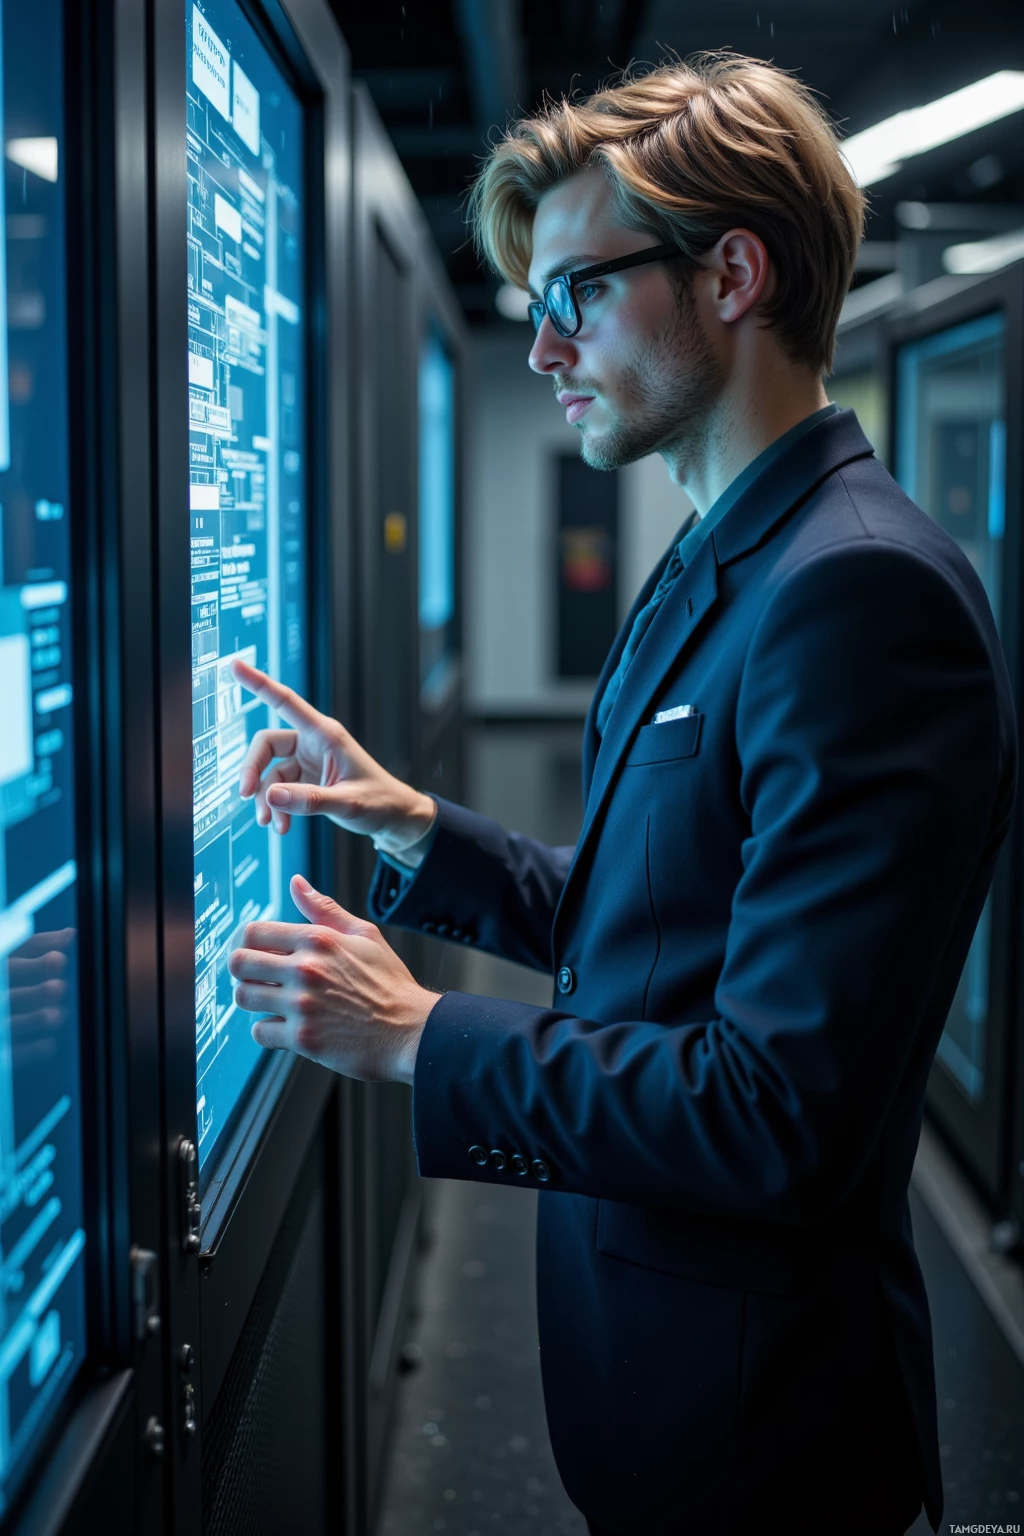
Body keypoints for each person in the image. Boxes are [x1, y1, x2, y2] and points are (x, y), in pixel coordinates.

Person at [226, 51, 1016, 1536]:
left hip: (763, 1431)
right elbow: (657, 926)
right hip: (660, 1378)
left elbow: (781, 1111)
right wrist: (410, 829)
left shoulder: (857, 593)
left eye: (578, 293)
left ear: (731, 274)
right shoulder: (735, 553)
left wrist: (420, 1040)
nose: (545, 347)